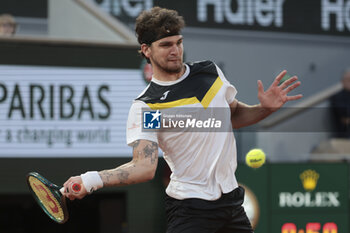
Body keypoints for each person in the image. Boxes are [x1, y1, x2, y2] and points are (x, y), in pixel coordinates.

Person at [62, 7, 302, 233]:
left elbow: (232, 116)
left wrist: (265, 109)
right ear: (146, 50)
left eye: (178, 43)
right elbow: (144, 167)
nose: (175, 50)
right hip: (190, 210)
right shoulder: (149, 105)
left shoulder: (209, 72)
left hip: (231, 204)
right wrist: (91, 179)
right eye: (165, 45)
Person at [330, 69, 350, 138]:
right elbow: (345, 114)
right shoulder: (337, 97)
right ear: (342, 81)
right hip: (344, 136)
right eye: (348, 80)